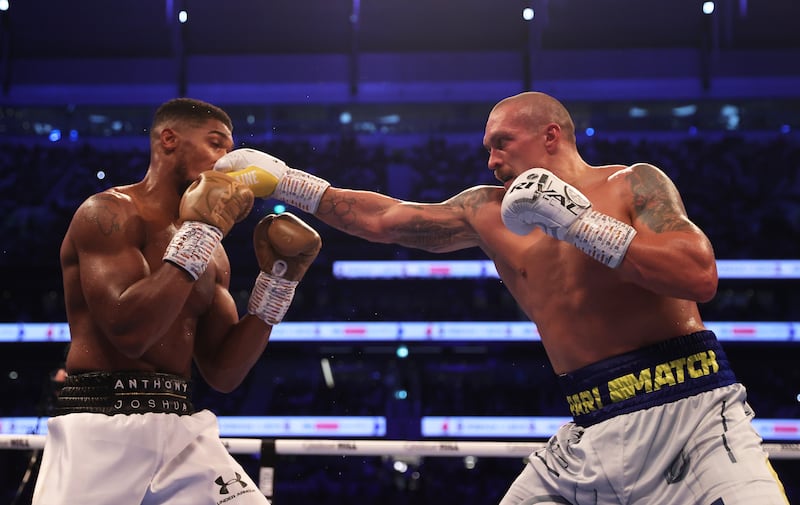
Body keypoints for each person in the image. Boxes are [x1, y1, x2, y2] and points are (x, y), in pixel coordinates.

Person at [212, 91, 789, 504]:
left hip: (691, 410)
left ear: (551, 135)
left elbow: (699, 276)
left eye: (502, 144)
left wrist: (582, 224)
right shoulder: (486, 210)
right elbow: (388, 218)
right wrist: (289, 182)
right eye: (487, 148)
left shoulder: (633, 183)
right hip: (591, 427)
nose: (491, 160)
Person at [32, 97, 322, 505]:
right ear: (169, 139)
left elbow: (223, 372)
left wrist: (278, 285)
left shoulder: (214, 251)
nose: (227, 160)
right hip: (101, 424)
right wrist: (200, 233)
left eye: (229, 149)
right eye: (215, 144)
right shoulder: (108, 214)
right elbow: (131, 334)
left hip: (182, 426)